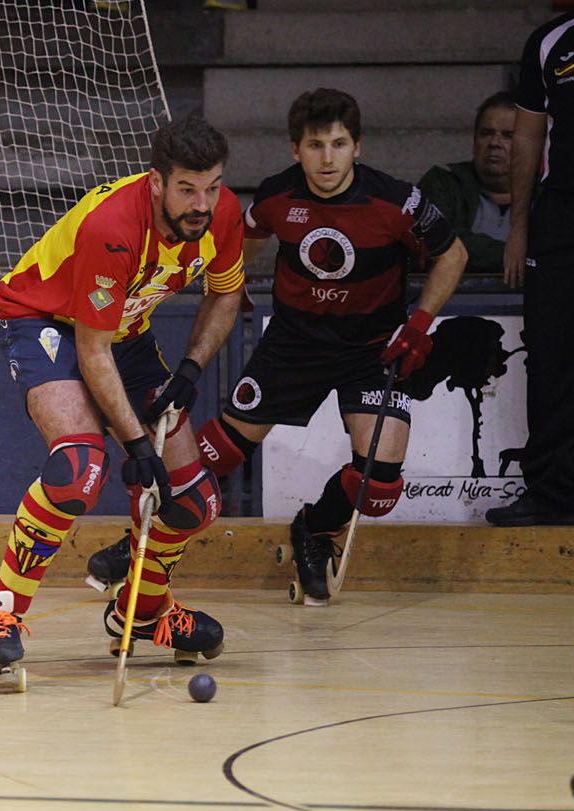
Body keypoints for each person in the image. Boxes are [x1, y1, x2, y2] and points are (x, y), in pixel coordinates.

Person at [162, 88, 467, 605]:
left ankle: (314, 528)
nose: (328, 158)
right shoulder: (276, 197)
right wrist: (232, 284)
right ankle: (141, 549)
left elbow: (453, 254)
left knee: (379, 486)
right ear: (294, 150)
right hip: (293, 345)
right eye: (315, 145)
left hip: (371, 351)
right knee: (214, 457)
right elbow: (241, 244)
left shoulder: (396, 200)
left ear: (358, 146)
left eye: (339, 144)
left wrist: (417, 325)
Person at [0, 113, 245, 681]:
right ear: (155, 183)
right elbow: (92, 353)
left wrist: (191, 369)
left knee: (193, 502)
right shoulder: (113, 226)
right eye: (187, 189)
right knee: (79, 469)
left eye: (213, 187)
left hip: (124, 328)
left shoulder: (223, 214)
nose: (203, 203)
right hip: (44, 319)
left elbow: (226, 294)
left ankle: (141, 615)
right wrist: (136, 446)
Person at [488, 10, 574, 526]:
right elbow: (527, 137)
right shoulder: (550, 41)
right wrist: (518, 227)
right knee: (550, 359)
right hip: (561, 216)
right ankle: (550, 493)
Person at [417, 91, 516, 276]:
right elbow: (439, 241)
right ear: (474, 140)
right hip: (453, 302)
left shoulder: (549, 195)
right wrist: (520, 258)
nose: (494, 143)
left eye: (508, 135)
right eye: (486, 133)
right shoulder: (442, 182)